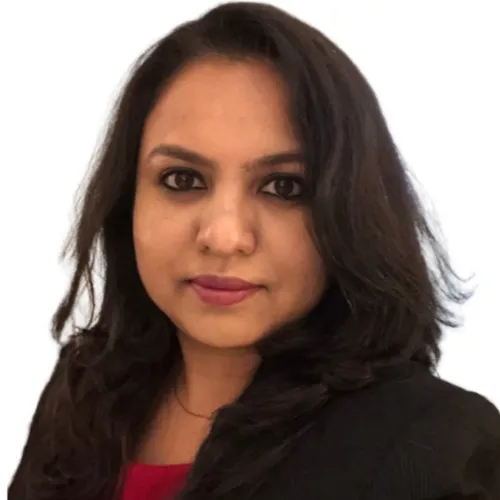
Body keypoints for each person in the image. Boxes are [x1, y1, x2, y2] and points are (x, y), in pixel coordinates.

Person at [9, 2, 500, 499]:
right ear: (126, 201)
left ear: (353, 212)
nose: (224, 237)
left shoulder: (431, 447)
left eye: (284, 187)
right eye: (182, 180)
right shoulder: (86, 391)